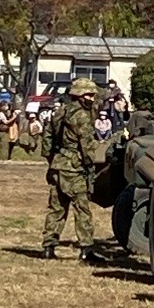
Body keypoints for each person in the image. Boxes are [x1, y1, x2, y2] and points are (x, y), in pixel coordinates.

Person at [41, 78, 104, 264]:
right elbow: (87, 146)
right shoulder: (82, 116)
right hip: (75, 168)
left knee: (56, 208)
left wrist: (52, 159)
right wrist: (91, 163)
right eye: (89, 94)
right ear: (78, 95)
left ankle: (48, 247)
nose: (92, 98)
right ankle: (86, 250)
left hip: (57, 166)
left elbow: (47, 139)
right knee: (82, 209)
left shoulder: (60, 112)